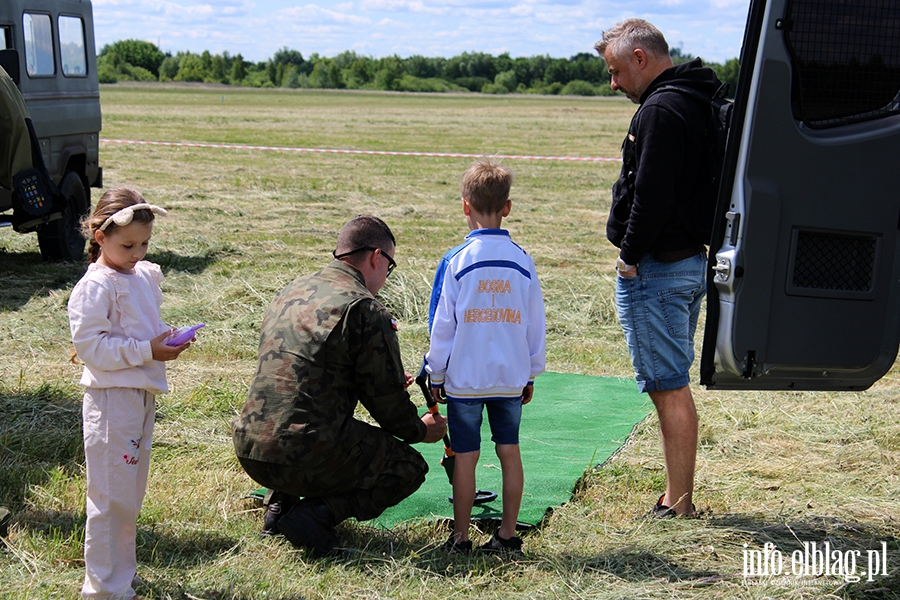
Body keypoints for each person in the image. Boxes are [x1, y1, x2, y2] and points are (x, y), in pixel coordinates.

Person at [232, 214, 447, 557]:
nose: (385, 279)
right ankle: (314, 516)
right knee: (407, 468)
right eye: (388, 267)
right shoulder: (364, 308)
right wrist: (421, 429)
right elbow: (387, 406)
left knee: (305, 420)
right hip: (301, 451)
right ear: (377, 257)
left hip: (251, 447)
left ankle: (278, 509)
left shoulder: (293, 290)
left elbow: (306, 375)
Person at [594, 19, 724, 517]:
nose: (614, 83)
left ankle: (680, 505)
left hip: (659, 269)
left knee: (669, 387)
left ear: (641, 58)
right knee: (671, 383)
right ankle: (677, 497)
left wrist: (629, 256)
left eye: (616, 70)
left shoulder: (662, 110)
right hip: (687, 260)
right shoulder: (695, 99)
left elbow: (651, 195)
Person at [68, 188, 193, 599]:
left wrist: (164, 340)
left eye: (144, 243)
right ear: (100, 237)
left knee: (129, 494)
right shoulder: (95, 287)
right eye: (128, 245)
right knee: (110, 497)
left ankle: (120, 576)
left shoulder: (139, 276)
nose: (138, 252)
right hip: (111, 401)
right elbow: (92, 348)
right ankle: (103, 590)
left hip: (138, 396)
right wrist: (147, 351)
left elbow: (138, 328)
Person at [425, 159, 546, 554]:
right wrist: (530, 372)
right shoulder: (523, 260)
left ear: (465, 206)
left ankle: (460, 539)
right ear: (507, 207)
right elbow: (535, 324)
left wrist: (436, 374)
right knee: (509, 451)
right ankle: (508, 535)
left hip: (465, 380)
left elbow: (443, 326)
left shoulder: (456, 261)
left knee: (466, 456)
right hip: (510, 377)